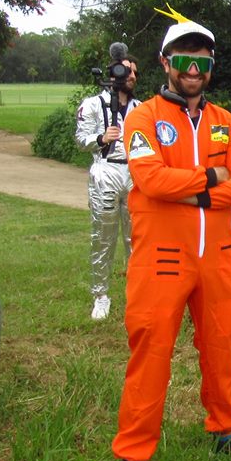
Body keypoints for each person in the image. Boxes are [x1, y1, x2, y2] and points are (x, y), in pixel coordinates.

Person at [107, 6, 231, 461]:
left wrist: (192, 194)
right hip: (160, 259)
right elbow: (150, 179)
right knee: (151, 354)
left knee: (222, 345)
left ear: (211, 67)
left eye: (202, 61)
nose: (193, 70)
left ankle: (226, 430)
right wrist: (213, 177)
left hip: (218, 256)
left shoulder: (226, 122)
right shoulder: (143, 117)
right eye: (184, 60)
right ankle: (132, 456)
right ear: (165, 63)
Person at [74, 53, 140, 321]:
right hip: (105, 170)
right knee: (103, 237)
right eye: (127, 71)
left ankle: (138, 292)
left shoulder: (141, 108)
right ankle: (100, 295)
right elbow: (80, 139)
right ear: (113, 74)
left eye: (135, 72)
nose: (132, 76)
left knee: (137, 238)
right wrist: (101, 138)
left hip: (134, 173)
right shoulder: (92, 105)